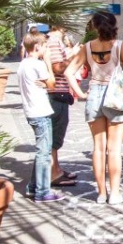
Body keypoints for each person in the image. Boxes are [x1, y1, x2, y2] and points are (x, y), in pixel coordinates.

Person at [64, 12, 123, 205]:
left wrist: (81, 95)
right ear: (114, 25)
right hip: (116, 95)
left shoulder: (87, 47)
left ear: (96, 27)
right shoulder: (119, 46)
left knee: (98, 149)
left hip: (95, 95)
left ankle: (100, 193)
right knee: (114, 149)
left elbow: (68, 72)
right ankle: (114, 193)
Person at [18, 33, 65, 203]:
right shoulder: (38, 64)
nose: (47, 50)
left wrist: (45, 83)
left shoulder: (23, 64)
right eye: (45, 46)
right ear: (37, 47)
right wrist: (47, 63)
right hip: (40, 112)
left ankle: (33, 186)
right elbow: (52, 84)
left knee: (41, 151)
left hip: (31, 111)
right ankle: (43, 191)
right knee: (44, 153)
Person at [43, 26, 78, 187]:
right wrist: (73, 56)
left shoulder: (53, 40)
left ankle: (56, 169)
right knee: (54, 136)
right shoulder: (54, 41)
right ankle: (53, 174)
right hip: (55, 94)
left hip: (57, 93)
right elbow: (58, 68)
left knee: (55, 136)